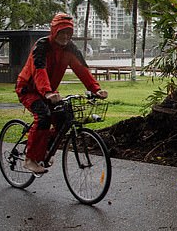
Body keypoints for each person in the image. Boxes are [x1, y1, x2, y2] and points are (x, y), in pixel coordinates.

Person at [15, 13, 108, 174]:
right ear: (54, 31)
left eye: (68, 33)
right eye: (62, 32)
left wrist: (96, 89)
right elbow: (39, 70)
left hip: (49, 91)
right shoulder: (42, 46)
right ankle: (29, 159)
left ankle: (45, 150)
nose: (65, 36)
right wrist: (48, 92)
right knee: (43, 116)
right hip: (28, 89)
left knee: (64, 119)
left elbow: (81, 69)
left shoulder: (70, 49)